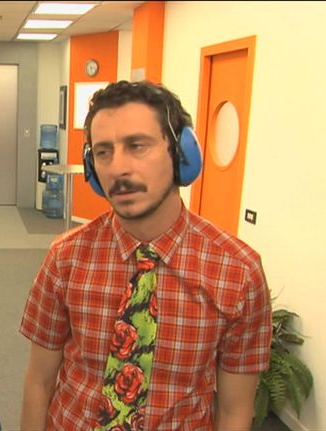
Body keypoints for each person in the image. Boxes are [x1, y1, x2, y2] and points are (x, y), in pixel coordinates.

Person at [19, 80, 271, 430]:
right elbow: (39, 383)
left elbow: (234, 410)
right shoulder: (66, 257)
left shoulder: (237, 271)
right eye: (103, 152)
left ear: (181, 154)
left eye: (137, 146)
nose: (118, 168)